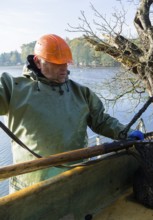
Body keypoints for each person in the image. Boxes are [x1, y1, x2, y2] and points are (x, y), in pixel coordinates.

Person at [0, 34, 144, 193]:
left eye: (65, 63)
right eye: (56, 63)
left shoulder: (81, 92)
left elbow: (101, 121)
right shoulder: (13, 87)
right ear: (37, 62)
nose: (63, 68)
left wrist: (126, 133)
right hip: (29, 186)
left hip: (76, 180)